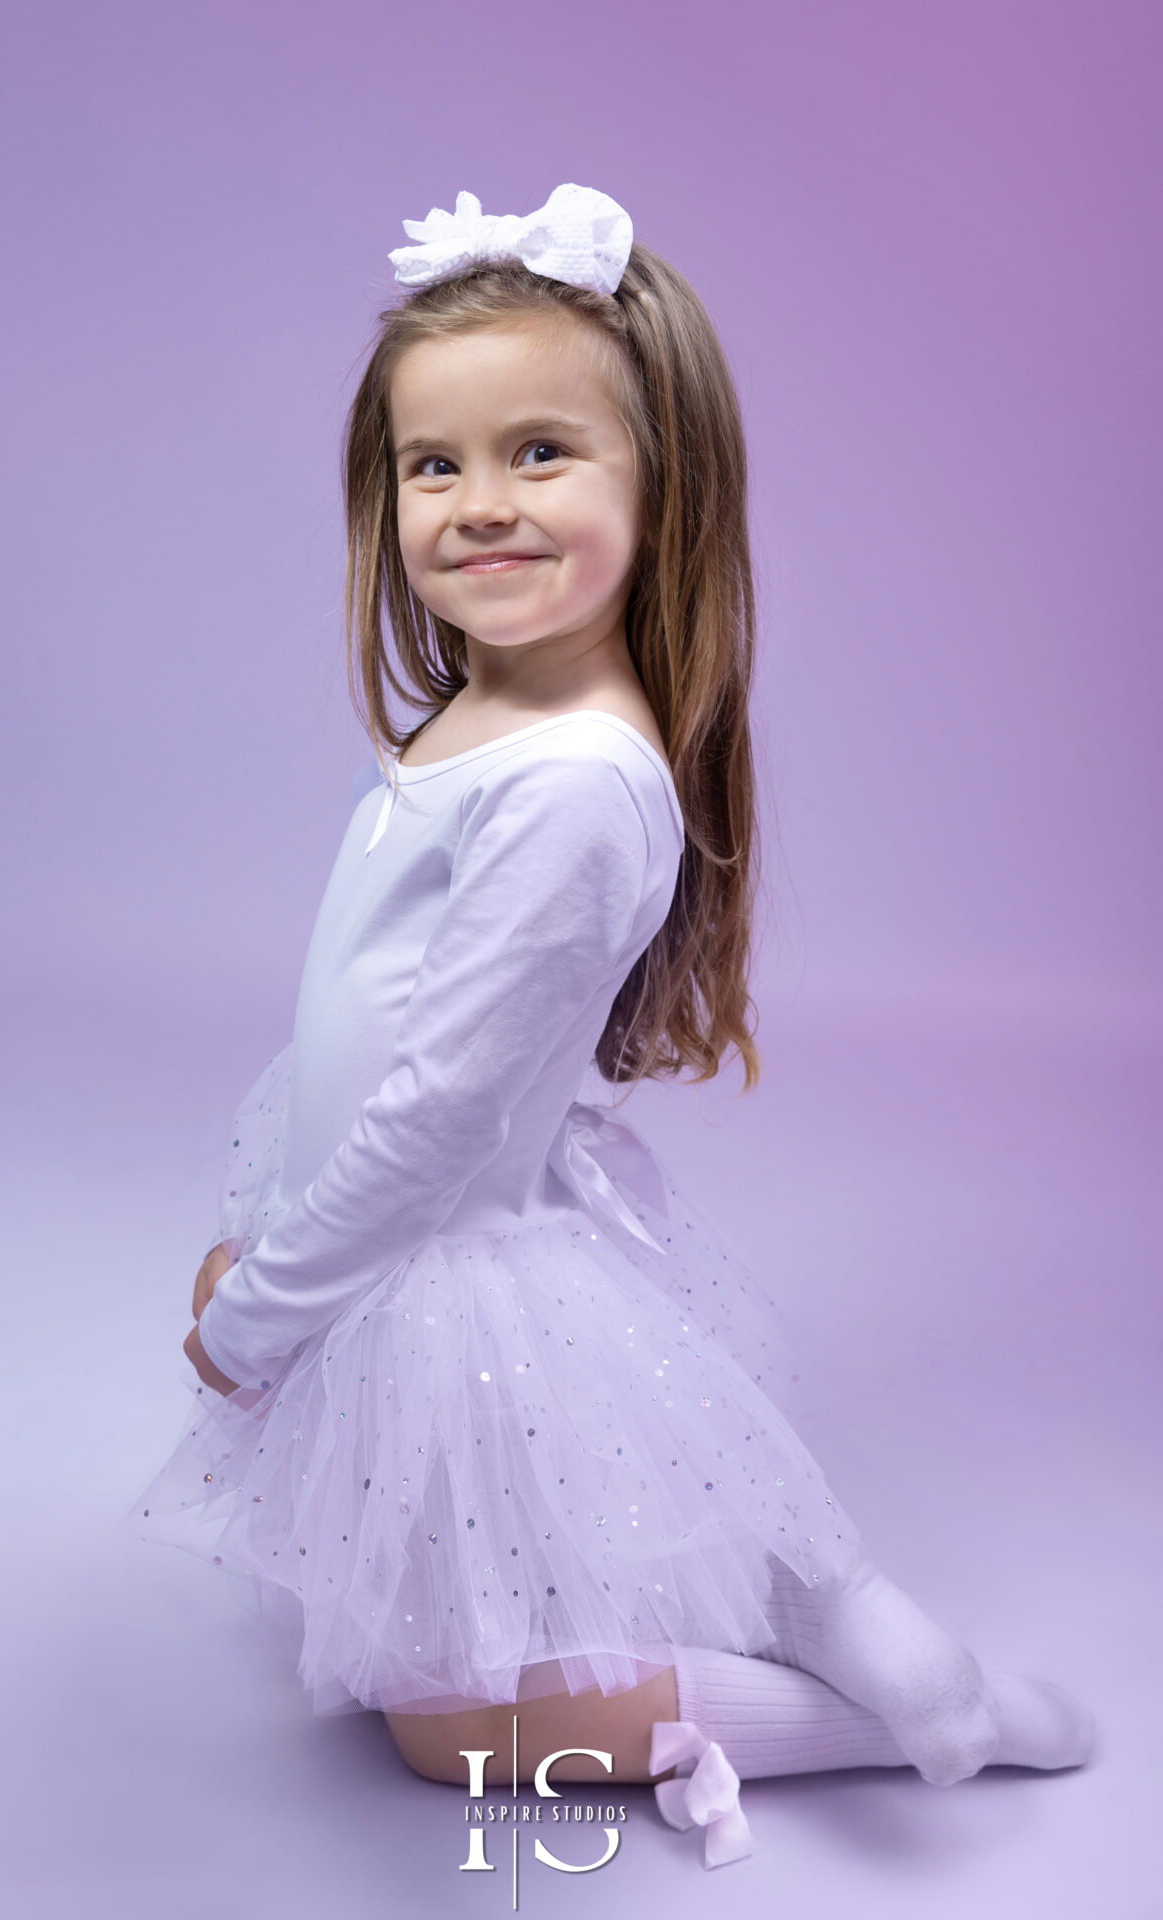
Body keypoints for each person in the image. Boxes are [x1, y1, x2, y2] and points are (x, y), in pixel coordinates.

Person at [127, 184, 1097, 1869]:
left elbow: (432, 1118)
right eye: (435, 466)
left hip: (442, 1247)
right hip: (411, 1228)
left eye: (541, 454)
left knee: (444, 1734)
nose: (478, 506)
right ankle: (855, 1619)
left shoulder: (579, 779)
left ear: (665, 487)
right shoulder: (493, 710)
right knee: (444, 1612)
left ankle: (914, 1716)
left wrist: (262, 1315)